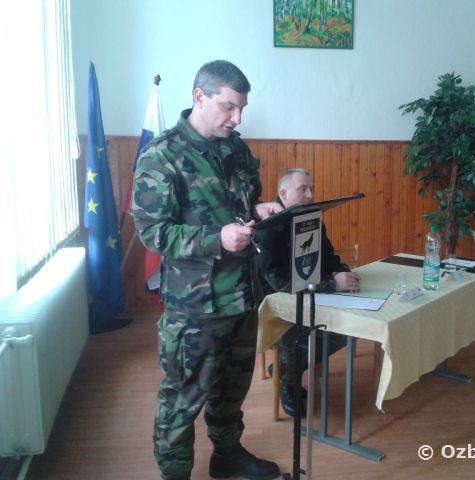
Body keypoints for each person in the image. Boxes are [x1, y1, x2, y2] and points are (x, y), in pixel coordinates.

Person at [131, 60, 282, 480]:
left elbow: (240, 207)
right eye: (229, 107)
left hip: (242, 294)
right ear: (200, 97)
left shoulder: (236, 149)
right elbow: (153, 232)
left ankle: (227, 454)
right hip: (195, 305)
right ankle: (175, 473)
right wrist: (217, 239)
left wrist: (259, 210)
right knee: (183, 397)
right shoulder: (162, 155)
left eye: (242, 109)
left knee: (232, 389)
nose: (237, 118)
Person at [256, 168, 360, 417]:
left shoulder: (310, 217)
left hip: (312, 292)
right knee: (302, 333)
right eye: (303, 189)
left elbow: (328, 255)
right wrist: (332, 285)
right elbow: (280, 285)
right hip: (274, 305)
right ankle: (287, 380)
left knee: (349, 326)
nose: (311, 195)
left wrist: (341, 273)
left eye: (312, 189)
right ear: (283, 194)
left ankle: (289, 367)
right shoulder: (267, 229)